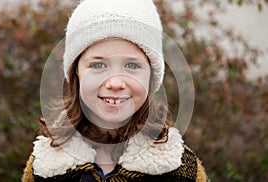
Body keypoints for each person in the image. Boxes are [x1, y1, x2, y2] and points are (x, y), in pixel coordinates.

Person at [22, 0, 207, 181]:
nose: (115, 82)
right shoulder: (44, 167)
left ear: (151, 76)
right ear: (76, 72)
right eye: (98, 64)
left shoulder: (181, 170)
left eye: (132, 65)